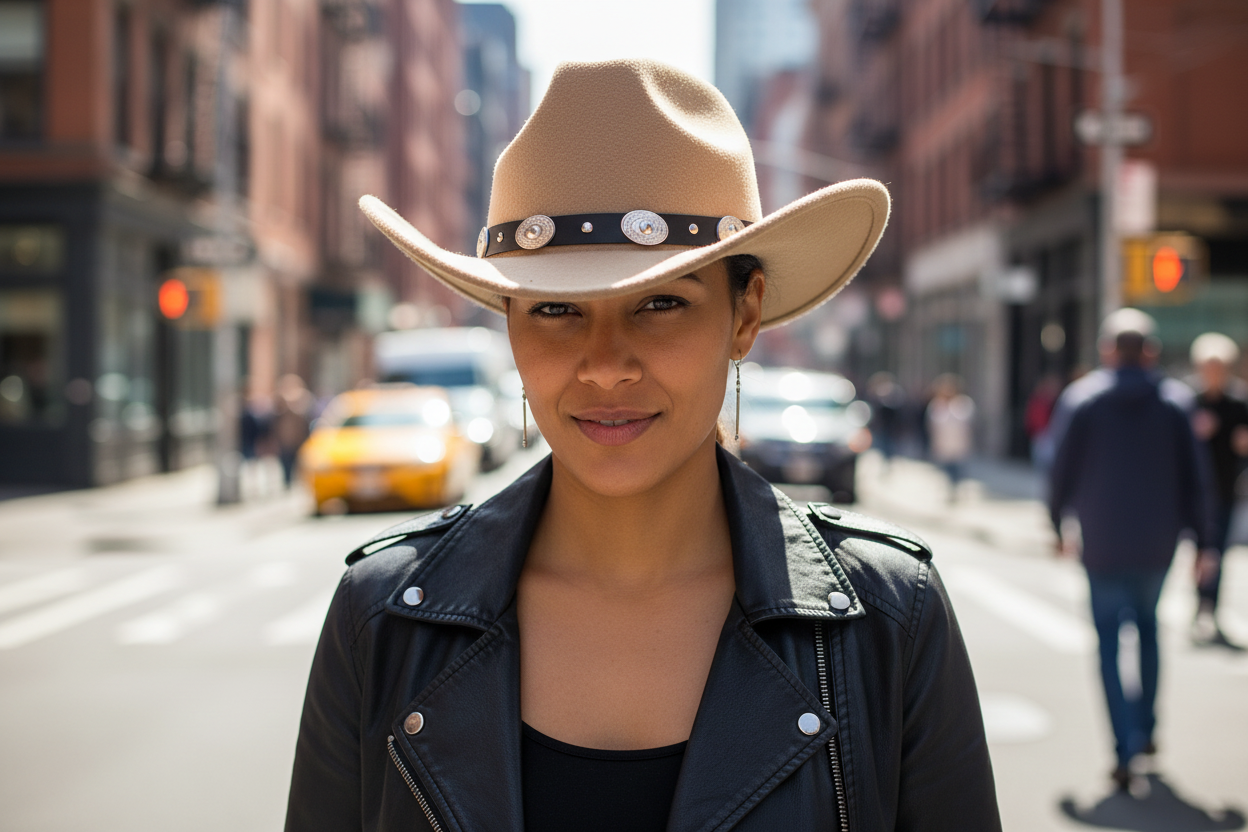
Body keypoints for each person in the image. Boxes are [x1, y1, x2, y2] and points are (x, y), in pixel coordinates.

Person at [285, 59, 1000, 832]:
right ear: (509, 325)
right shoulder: (383, 617)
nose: (604, 364)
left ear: (744, 315)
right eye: (556, 309)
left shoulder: (889, 619)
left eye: (661, 302)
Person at [1048, 308, 1214, 792]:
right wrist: (1205, 541)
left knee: (1106, 643)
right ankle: (1145, 731)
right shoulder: (1175, 402)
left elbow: (1060, 469)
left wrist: (1056, 522)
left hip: (1101, 541)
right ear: (1150, 352)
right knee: (1148, 631)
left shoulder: (1082, 400)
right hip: (1158, 542)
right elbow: (1196, 479)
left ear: (1105, 351)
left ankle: (1123, 746)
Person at [1188, 332, 1248, 647]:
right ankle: (1198, 607)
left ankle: (1211, 609)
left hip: (1225, 489)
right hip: (1195, 493)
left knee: (1218, 554)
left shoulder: (1239, 403)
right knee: (1198, 553)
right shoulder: (1190, 402)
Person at [925, 374, 975, 502]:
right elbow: (933, 425)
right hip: (943, 444)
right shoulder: (936, 405)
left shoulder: (963, 403)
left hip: (959, 444)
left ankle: (955, 491)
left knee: (958, 471)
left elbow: (966, 423)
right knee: (947, 471)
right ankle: (950, 491)